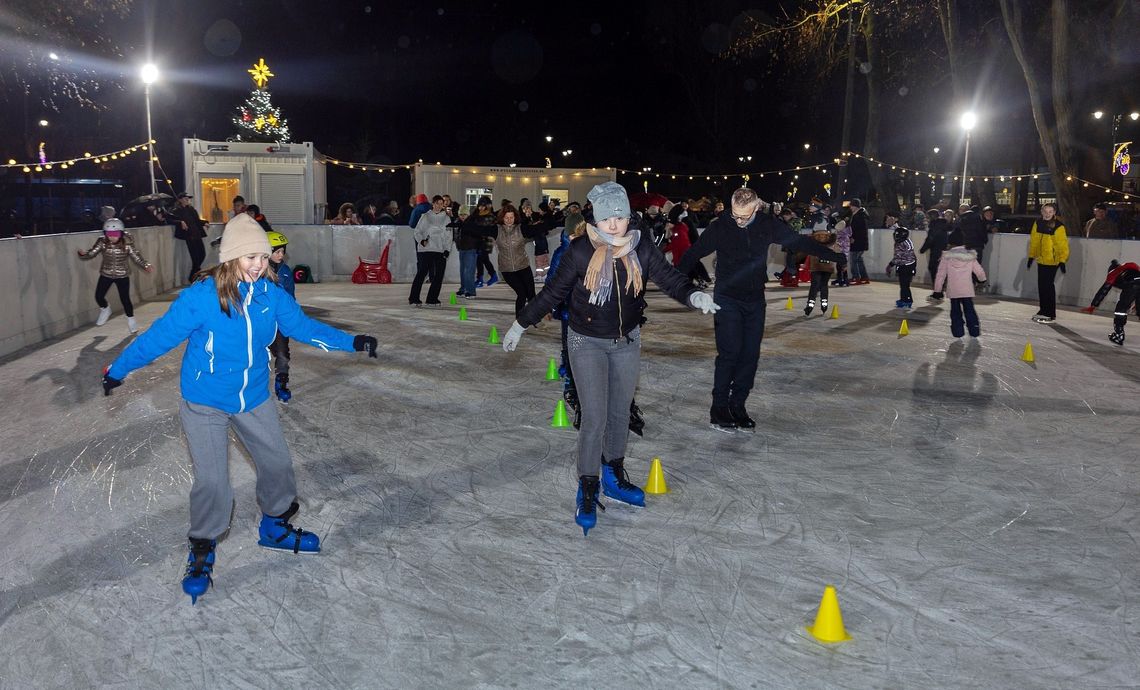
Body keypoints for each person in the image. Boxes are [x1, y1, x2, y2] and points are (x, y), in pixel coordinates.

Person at [100, 213, 378, 603]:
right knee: (213, 482)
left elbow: (304, 328)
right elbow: (158, 338)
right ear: (231, 257)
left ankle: (275, 527)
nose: (259, 265)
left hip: (253, 397)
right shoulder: (202, 298)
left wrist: (352, 341)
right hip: (205, 401)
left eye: (263, 257)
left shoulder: (270, 296)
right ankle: (202, 546)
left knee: (278, 465)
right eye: (250, 257)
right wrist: (118, 369)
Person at [501, 182, 719, 535]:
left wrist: (694, 296)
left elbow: (670, 279)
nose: (614, 224)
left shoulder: (641, 246)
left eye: (620, 216)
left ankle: (613, 474)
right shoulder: (580, 251)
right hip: (586, 341)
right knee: (595, 416)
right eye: (606, 218)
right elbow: (553, 293)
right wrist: (520, 324)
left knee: (620, 414)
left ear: (628, 217)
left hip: (627, 341)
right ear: (596, 220)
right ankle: (588, 485)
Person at [679, 187, 846, 431]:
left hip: (755, 299)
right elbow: (693, 253)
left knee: (750, 355)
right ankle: (719, 407)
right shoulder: (721, 226)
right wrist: (676, 285)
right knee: (729, 354)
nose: (739, 221)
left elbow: (799, 241)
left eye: (744, 216)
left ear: (756, 208)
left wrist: (830, 254)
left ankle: (738, 404)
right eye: (735, 214)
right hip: (726, 298)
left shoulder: (768, 225)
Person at [77, 218, 154, 333]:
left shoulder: (127, 244)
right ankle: (105, 309)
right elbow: (93, 252)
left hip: (122, 275)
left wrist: (145, 265)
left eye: (116, 234)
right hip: (106, 273)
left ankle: (131, 319)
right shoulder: (102, 242)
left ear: (121, 233)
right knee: (98, 296)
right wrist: (84, 254)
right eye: (109, 234)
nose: (112, 237)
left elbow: (136, 257)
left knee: (125, 299)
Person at [486, 205, 538, 317]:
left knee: (531, 294)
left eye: (511, 217)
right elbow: (477, 229)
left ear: (515, 217)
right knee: (521, 293)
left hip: (523, 266)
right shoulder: (496, 230)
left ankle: (534, 318)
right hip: (507, 270)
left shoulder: (521, 228)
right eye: (506, 218)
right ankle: (519, 321)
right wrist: (463, 224)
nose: (509, 220)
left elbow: (540, 228)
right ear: (502, 218)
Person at [934, 229, 987, 338]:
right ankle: (974, 330)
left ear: (951, 242)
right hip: (966, 289)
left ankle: (958, 331)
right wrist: (982, 280)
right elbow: (979, 270)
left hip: (953, 290)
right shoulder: (970, 256)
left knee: (955, 311)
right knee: (969, 309)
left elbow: (940, 274)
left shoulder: (946, 257)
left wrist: (937, 290)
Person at [1026, 202, 1069, 324]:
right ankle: (1043, 309)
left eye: (1050, 212)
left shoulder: (1058, 226)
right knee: (1042, 285)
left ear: (1054, 212)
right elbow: (1034, 241)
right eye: (1045, 211)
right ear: (1041, 212)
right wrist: (1031, 256)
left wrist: (1062, 260)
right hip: (1041, 259)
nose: (1047, 214)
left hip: (1052, 260)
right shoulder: (1038, 223)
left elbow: (1062, 244)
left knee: (1048, 286)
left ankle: (1050, 313)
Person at [1080, 260, 1140, 345]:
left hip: (1131, 285)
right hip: (1136, 283)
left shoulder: (1112, 273)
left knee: (1120, 310)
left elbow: (1104, 290)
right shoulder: (1129, 265)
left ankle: (1119, 335)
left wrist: (1093, 305)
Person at [267, 231, 295, 402]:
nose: (281, 255)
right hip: (261, 322)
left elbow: (290, 295)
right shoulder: (258, 271)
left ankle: (281, 384)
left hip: (280, 322)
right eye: (277, 251)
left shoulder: (285, 271)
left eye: (282, 251)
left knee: (283, 353)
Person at [409, 195, 452, 307]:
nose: (439, 206)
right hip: (426, 249)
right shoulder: (425, 216)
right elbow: (417, 231)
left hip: (440, 250)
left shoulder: (446, 218)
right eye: (437, 203)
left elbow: (448, 235)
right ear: (433, 204)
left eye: (441, 204)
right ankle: (414, 298)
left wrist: (447, 249)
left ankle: (432, 299)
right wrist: (422, 241)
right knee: (422, 273)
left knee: (439, 275)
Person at [171, 192, 209, 282]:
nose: (187, 200)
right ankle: (195, 276)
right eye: (185, 198)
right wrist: (180, 222)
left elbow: (197, 221)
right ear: (180, 200)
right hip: (189, 236)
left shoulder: (191, 209)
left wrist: (205, 223)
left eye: (188, 198)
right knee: (195, 258)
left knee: (202, 255)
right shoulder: (177, 210)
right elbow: (170, 219)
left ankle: (194, 275)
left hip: (197, 234)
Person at [884, 213, 917, 309]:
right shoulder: (907, 241)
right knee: (904, 284)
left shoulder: (900, 244)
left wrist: (890, 265)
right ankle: (904, 299)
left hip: (905, 266)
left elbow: (897, 258)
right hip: (910, 265)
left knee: (904, 284)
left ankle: (907, 300)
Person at [803, 227, 838, 316]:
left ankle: (810, 305)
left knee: (814, 285)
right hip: (828, 267)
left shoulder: (813, 241)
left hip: (816, 266)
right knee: (824, 285)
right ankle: (824, 304)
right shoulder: (831, 241)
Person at [468, 196, 499, 288]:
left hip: (485, 241)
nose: (481, 208)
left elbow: (490, 229)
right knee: (483, 259)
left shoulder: (490, 217)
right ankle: (489, 276)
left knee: (481, 258)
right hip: (478, 241)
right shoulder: (476, 215)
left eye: (483, 206)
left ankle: (482, 278)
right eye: (480, 206)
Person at [847, 198, 870, 284]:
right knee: (859, 260)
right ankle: (864, 277)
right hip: (861, 241)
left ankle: (856, 277)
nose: (850, 208)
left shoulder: (859, 216)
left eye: (851, 206)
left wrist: (853, 237)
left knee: (854, 260)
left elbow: (859, 229)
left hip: (857, 241)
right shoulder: (860, 215)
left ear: (855, 206)